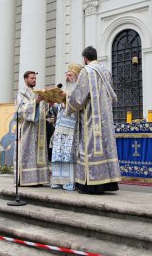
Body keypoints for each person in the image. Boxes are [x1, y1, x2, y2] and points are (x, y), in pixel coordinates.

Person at [64, 46, 121, 194]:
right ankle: (107, 183)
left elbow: (79, 95)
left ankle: (90, 184)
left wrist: (69, 108)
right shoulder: (105, 71)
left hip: (91, 116)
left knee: (89, 147)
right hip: (106, 117)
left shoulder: (86, 71)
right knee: (105, 148)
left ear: (85, 58)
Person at [50, 63, 82, 191]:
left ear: (75, 77)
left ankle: (69, 182)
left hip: (71, 127)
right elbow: (60, 108)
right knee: (58, 153)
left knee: (68, 154)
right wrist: (54, 103)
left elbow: (77, 102)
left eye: (70, 75)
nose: (68, 77)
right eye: (67, 74)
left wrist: (66, 97)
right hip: (60, 126)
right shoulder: (65, 89)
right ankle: (58, 181)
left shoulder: (78, 89)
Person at [15, 71, 49, 186]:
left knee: (37, 154)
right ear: (25, 80)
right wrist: (37, 101)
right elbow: (21, 110)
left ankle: (38, 179)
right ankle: (26, 179)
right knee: (28, 153)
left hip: (39, 130)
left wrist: (47, 100)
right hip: (27, 130)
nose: (34, 80)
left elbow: (43, 110)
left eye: (35, 78)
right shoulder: (21, 93)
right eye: (31, 78)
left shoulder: (37, 93)